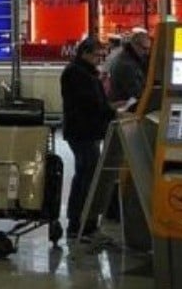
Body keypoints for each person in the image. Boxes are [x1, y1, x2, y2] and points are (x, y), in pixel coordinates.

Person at [60, 37, 116, 240]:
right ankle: (78, 223)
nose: (98, 59)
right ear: (85, 53)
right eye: (96, 55)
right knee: (86, 176)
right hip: (82, 131)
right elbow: (89, 103)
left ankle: (85, 221)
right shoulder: (76, 73)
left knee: (87, 175)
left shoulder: (85, 72)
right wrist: (111, 111)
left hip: (87, 131)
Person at [107, 30, 149, 109]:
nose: (147, 52)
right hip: (124, 108)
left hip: (123, 105)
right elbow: (137, 93)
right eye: (144, 48)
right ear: (135, 45)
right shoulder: (126, 64)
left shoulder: (127, 58)